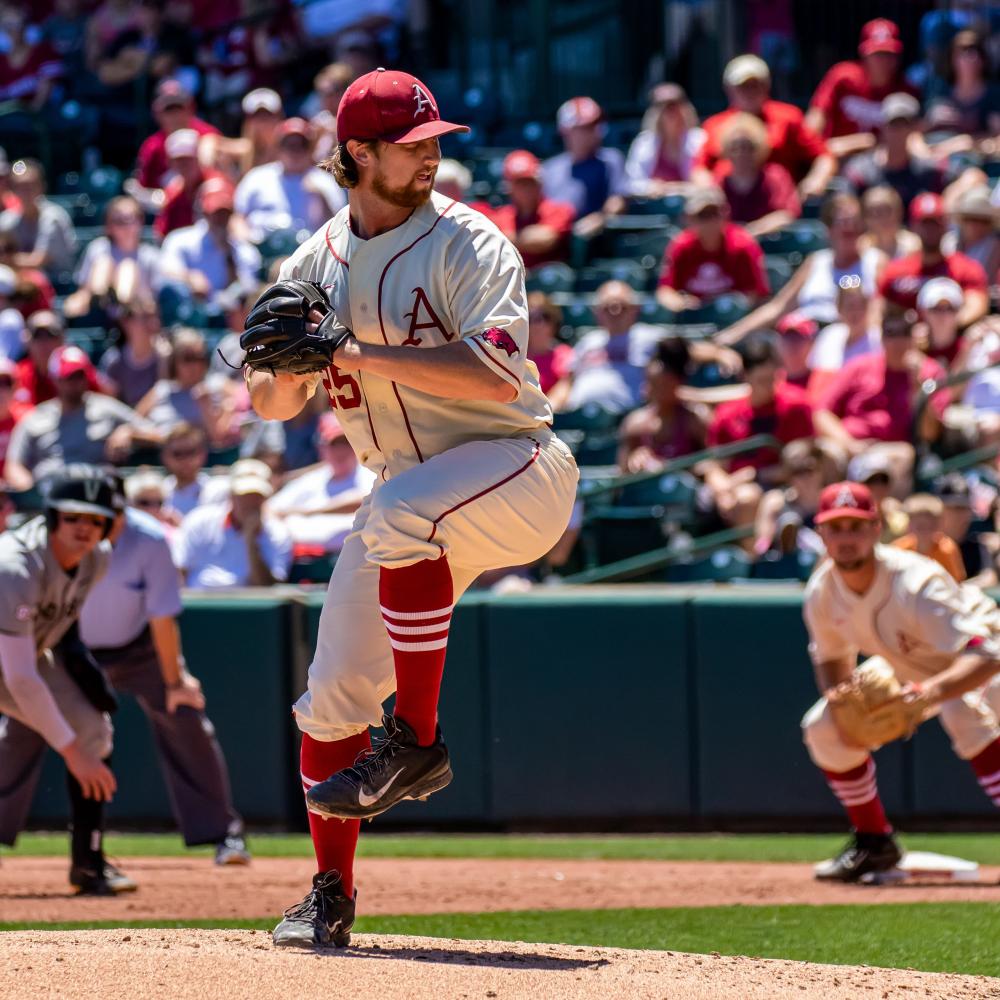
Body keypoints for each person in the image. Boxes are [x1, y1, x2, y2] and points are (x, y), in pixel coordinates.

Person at [246, 67, 578, 949]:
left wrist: (348, 345)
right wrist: (275, 368)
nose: (432, 154)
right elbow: (275, 405)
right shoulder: (314, 260)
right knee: (328, 703)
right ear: (358, 153)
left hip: (516, 466)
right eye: (414, 143)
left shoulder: (470, 243)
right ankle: (329, 894)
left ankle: (419, 742)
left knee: (397, 514)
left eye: (436, 140)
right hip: (409, 502)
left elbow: (497, 370)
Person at [801, 479, 1000, 881]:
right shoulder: (822, 591)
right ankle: (876, 843)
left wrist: (928, 695)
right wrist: (841, 699)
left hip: (979, 654)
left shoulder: (916, 581)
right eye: (835, 527)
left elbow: (986, 654)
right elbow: (831, 660)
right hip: (909, 668)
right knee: (823, 728)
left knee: (966, 717)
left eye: (855, 526)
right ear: (820, 533)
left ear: (876, 529)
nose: (845, 538)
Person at [77, 475, 250, 864]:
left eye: (111, 513)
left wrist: (175, 681)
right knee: (20, 726)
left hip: (140, 650)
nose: (102, 522)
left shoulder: (150, 538)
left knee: (185, 712)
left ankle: (224, 834)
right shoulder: (67, 537)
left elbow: (162, 620)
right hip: (76, 650)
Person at [0, 467, 136, 895]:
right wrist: (72, 753)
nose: (85, 528)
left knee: (93, 729)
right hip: (17, 662)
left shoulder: (98, 558)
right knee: (80, 746)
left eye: (95, 520)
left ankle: (88, 862)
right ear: (52, 517)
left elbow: (46, 637)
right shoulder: (14, 565)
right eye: (75, 517)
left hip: (23, 655)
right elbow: (21, 679)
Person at [716, 193, 885, 344]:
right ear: (828, 229)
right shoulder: (817, 261)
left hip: (849, 344)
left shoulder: (875, 261)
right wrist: (733, 334)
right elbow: (778, 308)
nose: (849, 228)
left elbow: (878, 314)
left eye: (854, 222)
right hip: (803, 342)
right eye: (842, 222)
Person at [5, 346, 161, 490]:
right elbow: (13, 465)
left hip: (96, 493)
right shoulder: (35, 418)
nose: (76, 382)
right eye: (69, 377)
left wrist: (128, 431)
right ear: (56, 380)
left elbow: (158, 434)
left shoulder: (106, 408)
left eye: (80, 376)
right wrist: (30, 490)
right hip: (49, 494)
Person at [692, 54, 834, 201]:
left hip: (779, 206)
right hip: (728, 210)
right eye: (742, 87)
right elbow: (700, 169)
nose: (749, 92)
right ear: (729, 90)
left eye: (755, 86)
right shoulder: (714, 125)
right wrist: (709, 192)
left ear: (766, 86)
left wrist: (815, 181)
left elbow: (823, 156)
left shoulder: (788, 117)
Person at [815, 313, 946, 458]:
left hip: (896, 451)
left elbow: (930, 433)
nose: (898, 341)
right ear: (882, 338)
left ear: (915, 337)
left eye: (905, 333)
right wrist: (849, 445)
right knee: (824, 455)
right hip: (851, 445)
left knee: (900, 458)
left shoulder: (930, 371)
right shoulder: (859, 367)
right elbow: (822, 413)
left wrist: (917, 385)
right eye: (891, 333)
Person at [706, 331, 815, 484]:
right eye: (762, 380)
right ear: (744, 376)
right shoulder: (727, 414)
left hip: (777, 489)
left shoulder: (796, 405)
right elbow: (715, 465)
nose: (769, 386)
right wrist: (722, 487)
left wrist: (753, 476)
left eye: (772, 378)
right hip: (732, 488)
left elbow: (802, 464)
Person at [171, 460, 292, 588]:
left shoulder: (278, 533)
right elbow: (178, 571)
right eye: (244, 495)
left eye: (257, 496)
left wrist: (251, 542)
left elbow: (268, 588)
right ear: (231, 495)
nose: (250, 502)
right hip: (197, 604)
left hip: (249, 606)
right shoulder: (199, 521)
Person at [267, 413, 376, 553]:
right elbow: (271, 509)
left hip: (357, 557)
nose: (340, 451)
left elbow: (365, 500)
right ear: (321, 448)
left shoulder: (371, 473)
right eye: (334, 444)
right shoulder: (313, 479)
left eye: (346, 443)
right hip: (302, 562)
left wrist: (308, 512)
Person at [878, 193, 989, 329]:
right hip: (906, 345)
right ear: (913, 227)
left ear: (945, 226)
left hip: (953, 346)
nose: (930, 230)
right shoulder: (895, 272)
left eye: (935, 223)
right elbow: (879, 312)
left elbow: (976, 307)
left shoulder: (966, 269)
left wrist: (938, 329)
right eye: (925, 223)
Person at [806, 19, 916, 155]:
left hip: (878, 164)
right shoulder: (843, 77)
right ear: (864, 54)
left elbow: (910, 138)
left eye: (889, 55)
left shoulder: (905, 89)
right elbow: (815, 118)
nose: (883, 61)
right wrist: (811, 148)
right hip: (836, 156)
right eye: (877, 54)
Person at [656, 186, 769, 313]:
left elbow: (755, 295)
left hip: (734, 321)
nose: (710, 222)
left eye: (714, 214)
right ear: (689, 219)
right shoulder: (681, 246)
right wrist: (681, 303)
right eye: (703, 216)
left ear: (725, 214)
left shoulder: (743, 245)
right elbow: (665, 291)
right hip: (692, 322)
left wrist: (721, 307)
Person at [234, 118, 346, 242]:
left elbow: (339, 227)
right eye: (289, 145)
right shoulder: (257, 177)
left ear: (310, 149)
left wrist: (321, 199)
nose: (294, 151)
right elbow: (237, 219)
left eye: (301, 145)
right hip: (262, 252)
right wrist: (248, 243)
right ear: (278, 148)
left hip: (308, 253)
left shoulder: (324, 182)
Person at [566, 280, 666, 413]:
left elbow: (691, 352)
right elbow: (567, 383)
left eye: (622, 307)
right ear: (598, 313)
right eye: (608, 308)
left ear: (634, 310)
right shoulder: (587, 341)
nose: (615, 312)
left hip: (626, 418)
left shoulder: (650, 338)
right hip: (577, 417)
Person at [160, 178, 263, 303]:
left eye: (225, 213)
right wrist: (189, 278)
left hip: (228, 317)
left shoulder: (245, 251)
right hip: (192, 313)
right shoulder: (180, 240)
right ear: (203, 212)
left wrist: (229, 257)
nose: (220, 220)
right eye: (215, 213)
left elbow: (246, 291)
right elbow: (165, 270)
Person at [617, 336, 707, 473]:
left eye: (656, 385)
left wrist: (670, 467)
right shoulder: (635, 425)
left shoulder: (696, 421)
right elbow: (621, 479)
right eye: (648, 382)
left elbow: (712, 464)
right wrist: (633, 463)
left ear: (675, 383)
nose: (645, 390)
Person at [135, 327, 237, 446]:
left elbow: (221, 437)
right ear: (174, 361)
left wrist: (206, 406)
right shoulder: (162, 389)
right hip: (155, 452)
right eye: (188, 358)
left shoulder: (219, 384)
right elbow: (135, 421)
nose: (195, 365)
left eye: (199, 358)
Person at [842, 93, 947, 209]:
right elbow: (847, 208)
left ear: (914, 129)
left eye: (904, 124)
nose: (898, 132)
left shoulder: (926, 171)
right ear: (883, 127)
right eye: (894, 124)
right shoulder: (862, 171)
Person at [541, 96, 626, 237]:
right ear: (565, 131)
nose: (595, 132)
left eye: (596, 125)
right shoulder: (549, 168)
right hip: (553, 236)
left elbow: (618, 201)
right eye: (586, 127)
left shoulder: (611, 159)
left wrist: (601, 218)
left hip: (594, 241)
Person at [66, 196, 162, 320]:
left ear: (141, 222)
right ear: (108, 225)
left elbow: (154, 300)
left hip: (136, 317)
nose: (125, 226)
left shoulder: (151, 256)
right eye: (118, 221)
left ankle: (121, 304)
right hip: (100, 312)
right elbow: (84, 290)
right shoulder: (98, 248)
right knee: (104, 264)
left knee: (128, 267)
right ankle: (103, 300)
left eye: (130, 219)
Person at [713, 112, 800, 238]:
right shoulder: (719, 181)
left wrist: (752, 231)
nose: (741, 153)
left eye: (748, 147)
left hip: (769, 244)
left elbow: (787, 214)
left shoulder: (776, 176)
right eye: (735, 148)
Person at [486, 151, 575, 270]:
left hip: (547, 281)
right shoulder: (502, 215)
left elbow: (545, 240)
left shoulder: (559, 210)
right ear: (509, 188)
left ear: (539, 184)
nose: (526, 189)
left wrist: (505, 238)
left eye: (530, 182)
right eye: (520, 183)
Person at [130, 78, 220, 197]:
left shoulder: (208, 135)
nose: (175, 117)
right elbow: (145, 187)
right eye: (169, 111)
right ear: (157, 114)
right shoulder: (152, 147)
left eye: (179, 109)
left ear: (190, 108)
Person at [624, 83, 705, 197]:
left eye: (674, 104)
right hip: (654, 209)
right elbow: (631, 183)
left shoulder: (700, 140)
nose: (669, 110)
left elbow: (707, 180)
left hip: (692, 207)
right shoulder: (644, 142)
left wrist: (678, 188)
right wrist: (649, 187)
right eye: (661, 105)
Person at [0, 159, 77, 275]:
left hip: (57, 285)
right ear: (12, 190)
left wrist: (7, 260)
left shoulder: (54, 217)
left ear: (42, 186)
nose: (25, 191)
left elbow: (38, 261)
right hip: (20, 285)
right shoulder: (7, 220)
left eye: (30, 185)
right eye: (19, 186)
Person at [753, 439, 827, 557]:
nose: (804, 477)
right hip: (787, 565)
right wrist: (763, 547)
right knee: (789, 519)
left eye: (809, 469)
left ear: (820, 468)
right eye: (797, 472)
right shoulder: (775, 501)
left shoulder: (832, 499)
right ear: (788, 476)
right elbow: (762, 544)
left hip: (824, 560)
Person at [924, 29, 1000, 140]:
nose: (969, 58)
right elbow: (920, 130)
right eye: (962, 52)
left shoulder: (995, 95)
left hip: (983, 154)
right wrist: (931, 121)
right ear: (951, 59)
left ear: (984, 59)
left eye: (974, 52)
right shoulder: (940, 91)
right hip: (943, 152)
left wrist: (967, 143)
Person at [153, 129, 228, 240]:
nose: (185, 165)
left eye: (189, 159)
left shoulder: (215, 185)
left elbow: (222, 224)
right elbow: (163, 234)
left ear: (198, 158)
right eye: (179, 160)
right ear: (170, 163)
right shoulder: (173, 193)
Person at [98, 297, 171, 408]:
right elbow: (110, 404)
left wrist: (164, 362)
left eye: (155, 316)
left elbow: (167, 400)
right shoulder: (113, 361)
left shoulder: (167, 356)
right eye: (145, 317)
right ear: (126, 323)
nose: (154, 323)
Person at [893, 492, 966, 580]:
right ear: (910, 525)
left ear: (939, 525)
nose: (925, 531)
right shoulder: (898, 550)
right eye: (920, 526)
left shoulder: (947, 549)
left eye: (930, 526)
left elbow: (955, 583)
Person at [525, 292, 572, 410]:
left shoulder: (563, 354)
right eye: (531, 318)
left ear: (554, 322)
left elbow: (563, 390)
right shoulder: (515, 356)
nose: (539, 324)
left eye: (545, 317)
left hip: (550, 419)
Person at [941, 186, 1000, 279]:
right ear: (963, 220)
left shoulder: (994, 245)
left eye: (984, 221)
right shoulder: (948, 241)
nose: (977, 225)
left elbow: (983, 278)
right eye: (971, 218)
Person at [160, 421, 213, 518]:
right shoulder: (157, 493)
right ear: (165, 457)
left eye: (190, 452)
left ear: (202, 454)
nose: (185, 459)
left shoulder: (214, 491)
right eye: (177, 453)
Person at [858, 185, 921, 260]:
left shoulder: (915, 245)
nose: (883, 218)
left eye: (887, 210)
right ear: (866, 218)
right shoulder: (859, 250)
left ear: (899, 212)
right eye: (876, 212)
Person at [0, 356, 30, 474]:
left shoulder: (27, 419)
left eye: (6, 383)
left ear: (15, 387)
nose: (1, 390)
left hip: (19, 489)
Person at [775, 312, 817, 392]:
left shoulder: (822, 380)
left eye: (798, 338)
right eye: (787, 338)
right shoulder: (769, 382)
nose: (792, 344)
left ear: (811, 343)